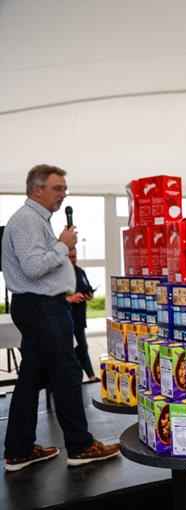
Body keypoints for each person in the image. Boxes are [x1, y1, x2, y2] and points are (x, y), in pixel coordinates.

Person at [2, 164, 120, 471]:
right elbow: (32, 267)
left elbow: (37, 267)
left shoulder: (33, 220)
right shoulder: (28, 220)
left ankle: (19, 450)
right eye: (57, 188)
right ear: (37, 189)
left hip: (41, 305)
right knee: (67, 373)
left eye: (64, 188)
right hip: (42, 308)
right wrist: (62, 245)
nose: (63, 194)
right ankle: (80, 446)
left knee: (31, 377)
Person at [66, 248, 99, 383]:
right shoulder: (60, 275)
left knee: (82, 347)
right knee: (71, 349)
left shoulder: (80, 272)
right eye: (70, 257)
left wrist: (89, 295)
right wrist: (71, 298)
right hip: (66, 317)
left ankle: (90, 376)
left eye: (75, 257)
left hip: (79, 317)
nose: (73, 260)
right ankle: (77, 377)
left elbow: (86, 288)